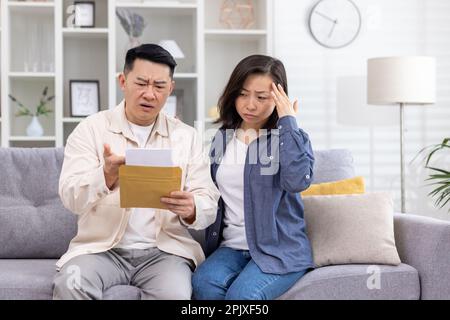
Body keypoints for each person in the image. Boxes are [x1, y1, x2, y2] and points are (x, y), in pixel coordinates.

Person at [53, 44, 220, 300]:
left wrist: (193, 208)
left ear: (170, 89)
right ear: (123, 81)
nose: (150, 94)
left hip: (164, 253)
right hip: (100, 250)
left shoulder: (186, 137)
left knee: (176, 295)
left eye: (159, 86)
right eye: (141, 83)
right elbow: (69, 196)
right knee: (71, 284)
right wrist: (106, 176)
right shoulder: (91, 129)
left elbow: (208, 201)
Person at [192, 54, 315, 300]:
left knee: (242, 298)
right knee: (203, 284)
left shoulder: (290, 138)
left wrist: (288, 121)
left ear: (280, 98)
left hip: (279, 250)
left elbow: (297, 181)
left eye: (261, 97)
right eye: (242, 94)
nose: (250, 104)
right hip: (230, 248)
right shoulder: (220, 138)